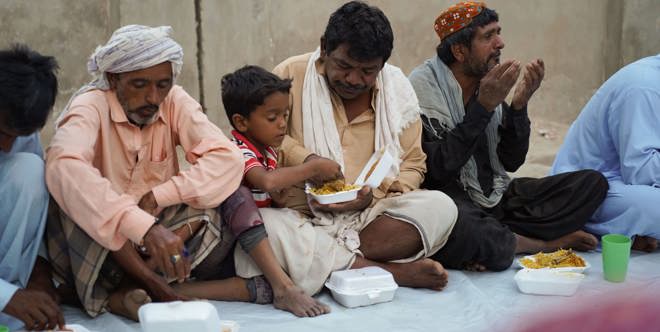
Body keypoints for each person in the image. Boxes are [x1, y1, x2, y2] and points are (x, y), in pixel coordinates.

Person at [46, 25, 327, 321]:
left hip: (157, 239)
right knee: (72, 196)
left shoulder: (173, 100)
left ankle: (131, 290)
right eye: (140, 85)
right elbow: (63, 164)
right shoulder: (90, 106)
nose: (153, 97)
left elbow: (227, 160)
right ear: (115, 79)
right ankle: (148, 285)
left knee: (231, 194)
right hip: (100, 240)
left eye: (162, 85)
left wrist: (159, 195)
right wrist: (141, 225)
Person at [234, 1, 458, 296]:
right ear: (324, 48)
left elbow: (414, 164)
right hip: (300, 216)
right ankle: (390, 272)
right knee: (262, 225)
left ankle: (328, 260)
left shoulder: (397, 91)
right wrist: (309, 161)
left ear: (382, 65)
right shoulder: (290, 74)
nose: (354, 80)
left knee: (442, 207)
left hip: (369, 219)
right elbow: (261, 139)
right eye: (344, 66)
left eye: (367, 71)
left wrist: (370, 197)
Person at [409, 1, 609, 271]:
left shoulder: (489, 83)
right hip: (451, 201)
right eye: (488, 36)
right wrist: (482, 109)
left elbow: (511, 161)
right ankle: (539, 244)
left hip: (495, 197)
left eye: (498, 33)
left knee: (591, 184)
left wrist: (519, 106)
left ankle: (501, 239)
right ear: (459, 50)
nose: (500, 43)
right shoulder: (421, 90)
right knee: (462, 226)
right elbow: (438, 169)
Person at [550, 54, 660, 253]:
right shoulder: (644, 86)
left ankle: (635, 233)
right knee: (655, 207)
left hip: (623, 185)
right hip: (583, 190)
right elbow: (640, 170)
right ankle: (589, 232)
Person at [0, 45, 65, 331]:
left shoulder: (20, 137)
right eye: (1, 133)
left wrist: (40, 275)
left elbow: (30, 217)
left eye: (18, 137)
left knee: (32, 170)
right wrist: (7, 297)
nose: (6, 147)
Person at [221, 65, 342, 208]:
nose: (283, 124)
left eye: (285, 115)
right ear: (241, 122)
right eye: (272, 118)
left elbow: (266, 191)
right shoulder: (239, 151)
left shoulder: (268, 150)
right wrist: (314, 168)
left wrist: (278, 200)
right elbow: (267, 181)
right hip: (242, 225)